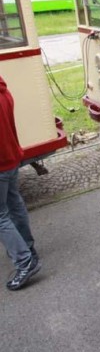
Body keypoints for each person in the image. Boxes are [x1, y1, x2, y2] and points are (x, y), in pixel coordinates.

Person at [0, 76, 41, 291]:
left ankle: (24, 262)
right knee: (15, 205)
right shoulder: (4, 92)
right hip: (11, 160)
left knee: (1, 217)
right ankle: (28, 248)